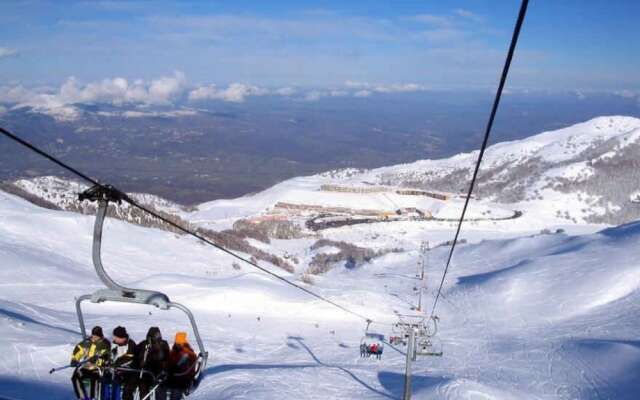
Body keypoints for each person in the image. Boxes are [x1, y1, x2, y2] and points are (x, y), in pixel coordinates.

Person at [71, 326, 111, 400]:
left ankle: (93, 397)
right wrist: (74, 359)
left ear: (100, 336)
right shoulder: (87, 342)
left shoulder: (105, 343)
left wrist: (96, 359)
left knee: (94, 378)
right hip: (86, 367)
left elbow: (106, 355)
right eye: (93, 335)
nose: (94, 338)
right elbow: (79, 349)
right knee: (75, 376)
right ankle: (82, 397)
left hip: (98, 368)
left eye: (96, 336)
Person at [136, 327, 170, 400]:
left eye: (158, 335)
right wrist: (142, 360)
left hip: (160, 372)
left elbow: (167, 358)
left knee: (160, 385)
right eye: (155, 336)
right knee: (143, 385)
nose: (157, 338)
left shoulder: (163, 344)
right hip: (147, 372)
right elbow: (137, 355)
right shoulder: (145, 344)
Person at [104, 326, 137, 400]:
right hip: (115, 371)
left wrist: (117, 364)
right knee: (105, 379)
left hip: (129, 372)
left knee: (121, 384)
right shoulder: (114, 344)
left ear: (122, 337)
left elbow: (129, 359)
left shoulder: (131, 344)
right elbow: (110, 356)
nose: (114, 339)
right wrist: (108, 361)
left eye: (116, 337)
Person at [166, 332, 198, 399]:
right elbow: (169, 362)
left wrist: (175, 368)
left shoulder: (187, 353)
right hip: (174, 378)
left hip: (183, 379)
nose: (177, 344)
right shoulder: (174, 352)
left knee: (175, 390)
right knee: (160, 387)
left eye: (179, 343)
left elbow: (189, 367)